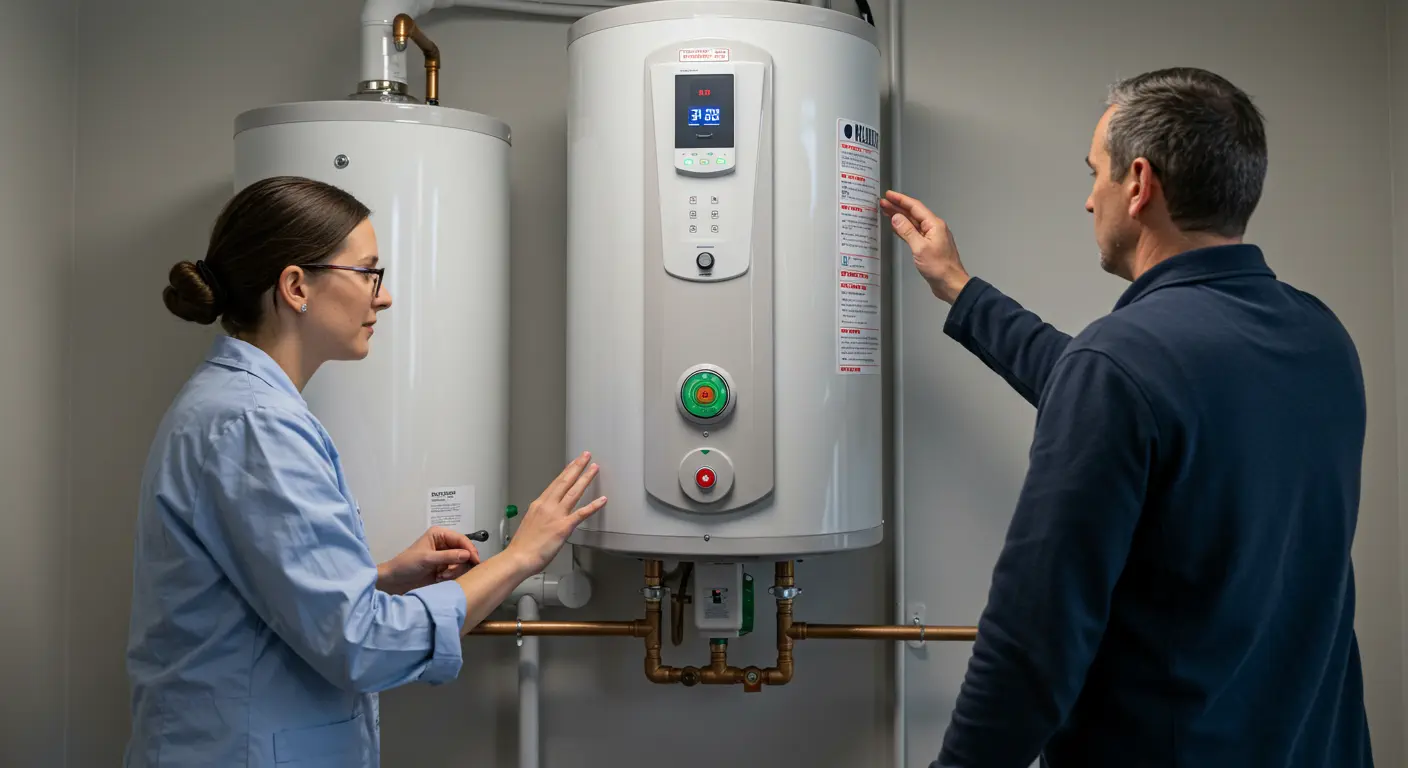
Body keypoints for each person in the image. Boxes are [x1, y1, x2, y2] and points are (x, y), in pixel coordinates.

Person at [885, 68, 1372, 767]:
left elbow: (1032, 643)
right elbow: (1121, 396)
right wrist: (960, 289)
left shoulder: (1123, 365)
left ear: (1139, 183)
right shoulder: (1322, 337)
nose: (1090, 200)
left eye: (1096, 174)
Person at [125, 175, 604, 767]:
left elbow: (262, 600)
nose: (383, 296)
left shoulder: (240, 408)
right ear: (297, 286)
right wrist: (522, 557)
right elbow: (362, 644)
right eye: (368, 273)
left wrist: (382, 576)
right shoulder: (254, 425)